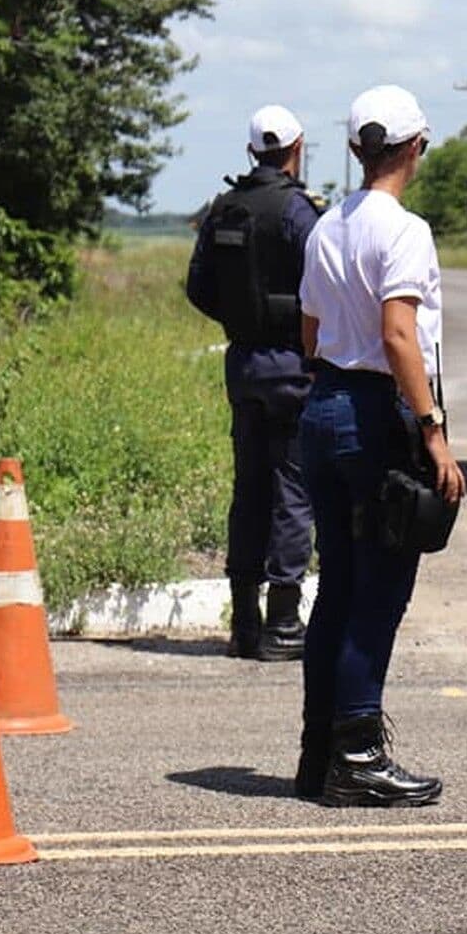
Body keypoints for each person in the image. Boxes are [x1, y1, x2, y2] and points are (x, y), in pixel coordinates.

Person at [295, 85, 465, 806]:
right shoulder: (405, 230)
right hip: (374, 416)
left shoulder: (325, 226)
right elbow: (399, 334)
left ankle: (318, 752)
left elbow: (308, 334)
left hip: (323, 407)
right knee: (382, 586)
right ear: (414, 148)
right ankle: (359, 753)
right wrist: (431, 431)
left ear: (358, 149)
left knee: (335, 585)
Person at [186, 105, 324, 661]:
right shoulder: (298, 212)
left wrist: (240, 320)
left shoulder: (224, 210)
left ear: (251, 152)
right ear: (297, 148)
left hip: (243, 366)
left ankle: (243, 624)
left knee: (249, 489)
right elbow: (325, 284)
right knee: (293, 492)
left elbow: (198, 288)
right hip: (293, 366)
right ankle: (284, 626)